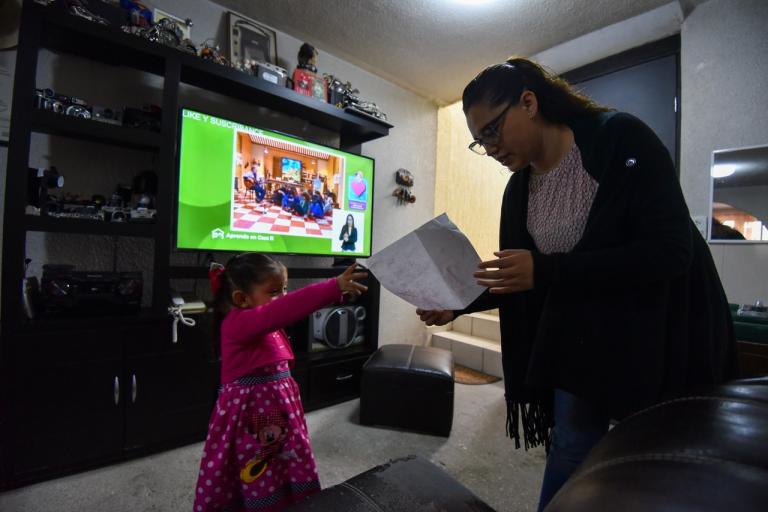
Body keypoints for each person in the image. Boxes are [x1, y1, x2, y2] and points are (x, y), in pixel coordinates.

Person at [415, 57, 738, 512]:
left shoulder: (620, 138)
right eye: (478, 142)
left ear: (528, 102)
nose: (489, 148)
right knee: (571, 441)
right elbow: (526, 275)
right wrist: (458, 306)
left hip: (655, 327)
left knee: (647, 455)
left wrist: (547, 272)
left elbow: (671, 252)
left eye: (492, 131)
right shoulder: (520, 189)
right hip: (582, 332)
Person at [194, 254, 368, 512]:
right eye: (275, 291)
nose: (283, 297)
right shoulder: (238, 323)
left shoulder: (265, 323)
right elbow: (282, 310)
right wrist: (331, 287)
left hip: (279, 413)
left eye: (285, 289)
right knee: (256, 468)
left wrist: (338, 295)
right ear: (241, 299)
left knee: (285, 460)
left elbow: (283, 312)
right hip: (251, 419)